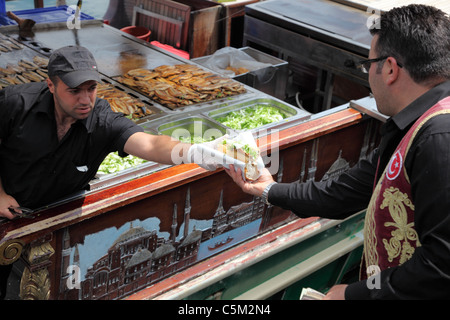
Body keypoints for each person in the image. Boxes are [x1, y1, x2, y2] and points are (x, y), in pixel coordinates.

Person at [226, 4, 450, 299]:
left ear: (391, 69)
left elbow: (441, 267)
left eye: (369, 64)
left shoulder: (438, 138)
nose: (368, 74)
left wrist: (354, 294)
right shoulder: (414, 123)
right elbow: (341, 193)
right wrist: (269, 190)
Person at [0, 45, 215, 221]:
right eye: (74, 91)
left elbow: (151, 144)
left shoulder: (102, 121)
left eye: (91, 88)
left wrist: (199, 153)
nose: (85, 100)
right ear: (51, 85)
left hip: (59, 217)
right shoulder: (15, 104)